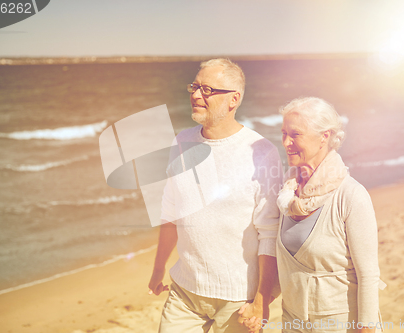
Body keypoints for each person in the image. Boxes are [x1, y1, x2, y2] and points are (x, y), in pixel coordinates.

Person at [148, 58, 282, 333]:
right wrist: (158, 268)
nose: (196, 95)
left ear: (234, 99)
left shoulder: (261, 152)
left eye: (207, 89)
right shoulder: (182, 142)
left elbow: (269, 233)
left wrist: (262, 300)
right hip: (184, 291)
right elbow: (171, 213)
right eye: (195, 87)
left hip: (238, 299)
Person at [274, 97, 384, 333]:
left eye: (295, 134)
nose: (286, 142)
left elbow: (368, 274)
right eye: (283, 133)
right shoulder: (288, 190)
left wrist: (366, 328)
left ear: (324, 136)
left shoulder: (351, 195)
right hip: (292, 321)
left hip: (339, 323)